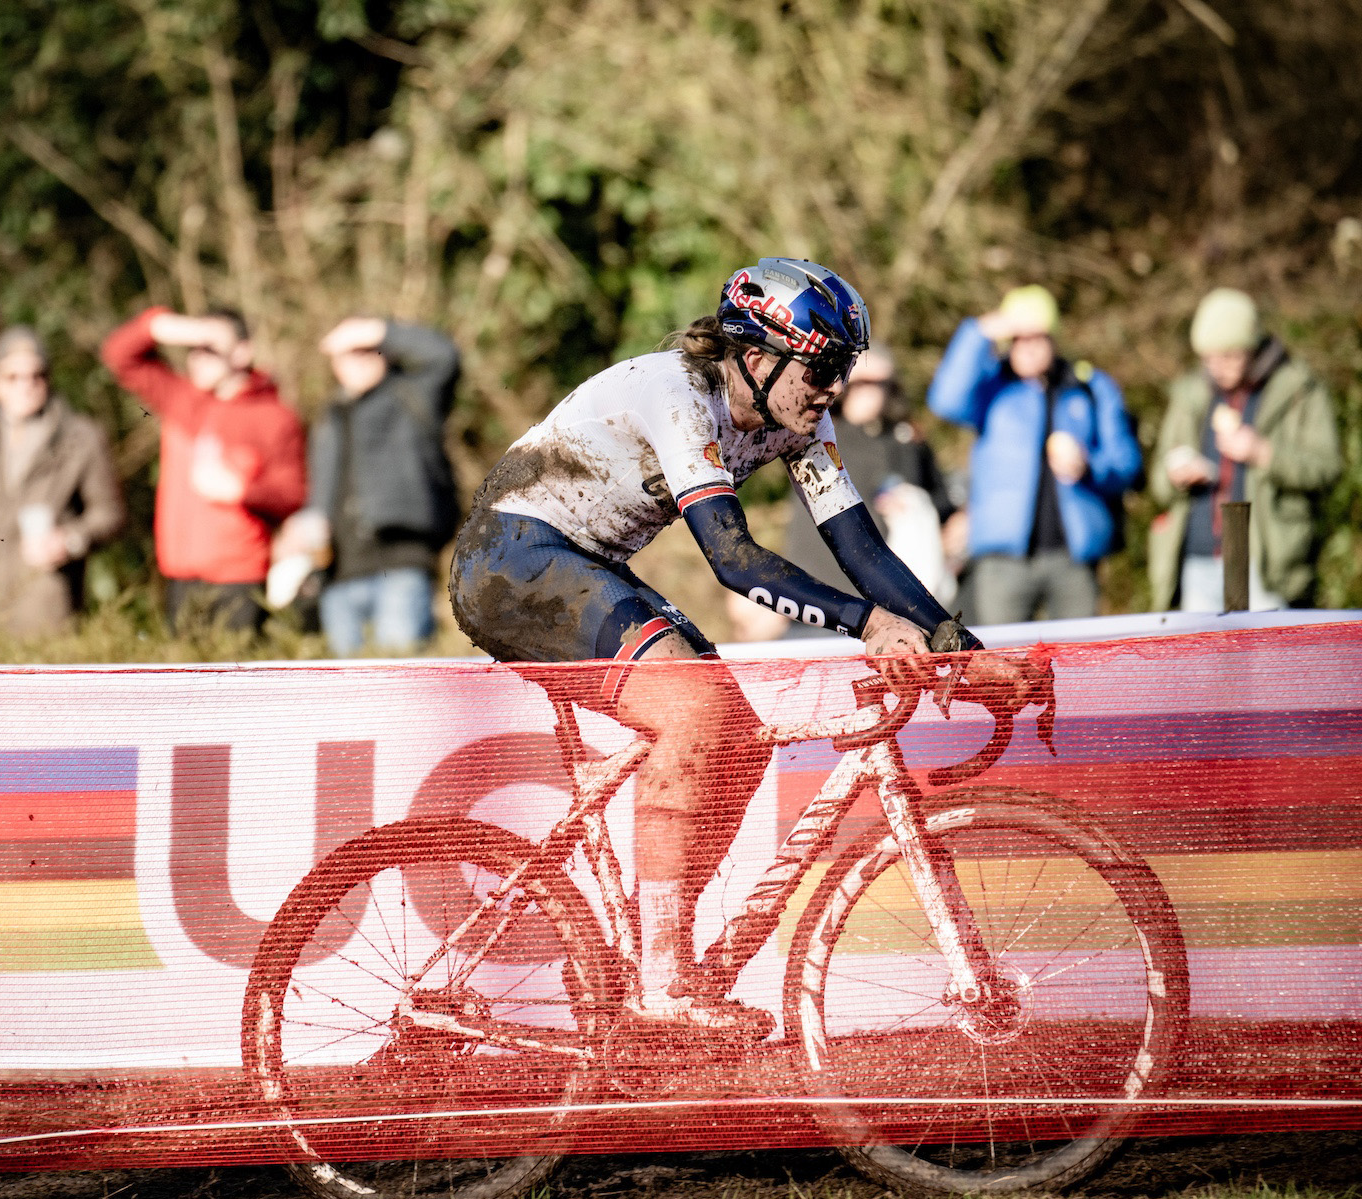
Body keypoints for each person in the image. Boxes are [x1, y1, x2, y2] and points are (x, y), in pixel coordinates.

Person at [449, 257, 980, 1036]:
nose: (834, 386)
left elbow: (860, 550)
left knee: (741, 741)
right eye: (823, 366)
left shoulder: (800, 420)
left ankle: (651, 961)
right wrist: (866, 624)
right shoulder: (680, 396)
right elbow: (733, 561)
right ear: (758, 359)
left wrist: (957, 646)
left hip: (584, 564)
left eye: (845, 367)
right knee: (696, 713)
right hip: (511, 558)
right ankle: (661, 982)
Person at [927, 285, 1140, 624]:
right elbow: (945, 400)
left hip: (1073, 558)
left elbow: (1127, 464)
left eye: (1036, 338)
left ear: (1053, 339)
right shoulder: (992, 388)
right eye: (1018, 339)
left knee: (1078, 663)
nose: (1026, 348)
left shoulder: (1090, 388)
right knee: (1005, 666)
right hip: (1003, 559)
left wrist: (1088, 466)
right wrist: (978, 332)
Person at [101, 306, 305, 634]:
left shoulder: (274, 417)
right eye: (193, 348)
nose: (198, 356)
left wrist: (241, 491)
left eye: (211, 348)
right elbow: (118, 355)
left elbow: (292, 494)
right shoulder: (182, 399)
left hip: (239, 578)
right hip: (179, 573)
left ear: (242, 352)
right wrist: (164, 325)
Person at [1147, 288, 1343, 612]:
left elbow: (1327, 466)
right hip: (1197, 562)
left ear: (1253, 346)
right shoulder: (1190, 394)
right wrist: (1176, 475)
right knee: (1202, 663)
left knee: (1268, 662)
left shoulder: (1298, 389)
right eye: (1209, 358)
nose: (1217, 367)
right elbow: (1158, 483)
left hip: (1266, 563)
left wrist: (1264, 453)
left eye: (1229, 356)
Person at [287, 316, 461, 656]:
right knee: (350, 696)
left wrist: (378, 329)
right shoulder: (329, 416)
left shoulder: (412, 396)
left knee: (401, 686)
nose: (360, 359)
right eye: (350, 352)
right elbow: (322, 489)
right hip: (337, 572)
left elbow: (444, 356)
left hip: (400, 565)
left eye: (369, 351)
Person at [0, 326, 125, 635]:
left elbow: (110, 514)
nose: (27, 386)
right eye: (13, 377)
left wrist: (70, 540)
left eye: (38, 376)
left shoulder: (81, 437)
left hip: (48, 611)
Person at [777, 343, 958, 634]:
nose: (869, 391)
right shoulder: (812, 435)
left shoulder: (909, 443)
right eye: (858, 383)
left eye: (879, 384)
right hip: (818, 599)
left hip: (885, 606)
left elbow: (942, 506)